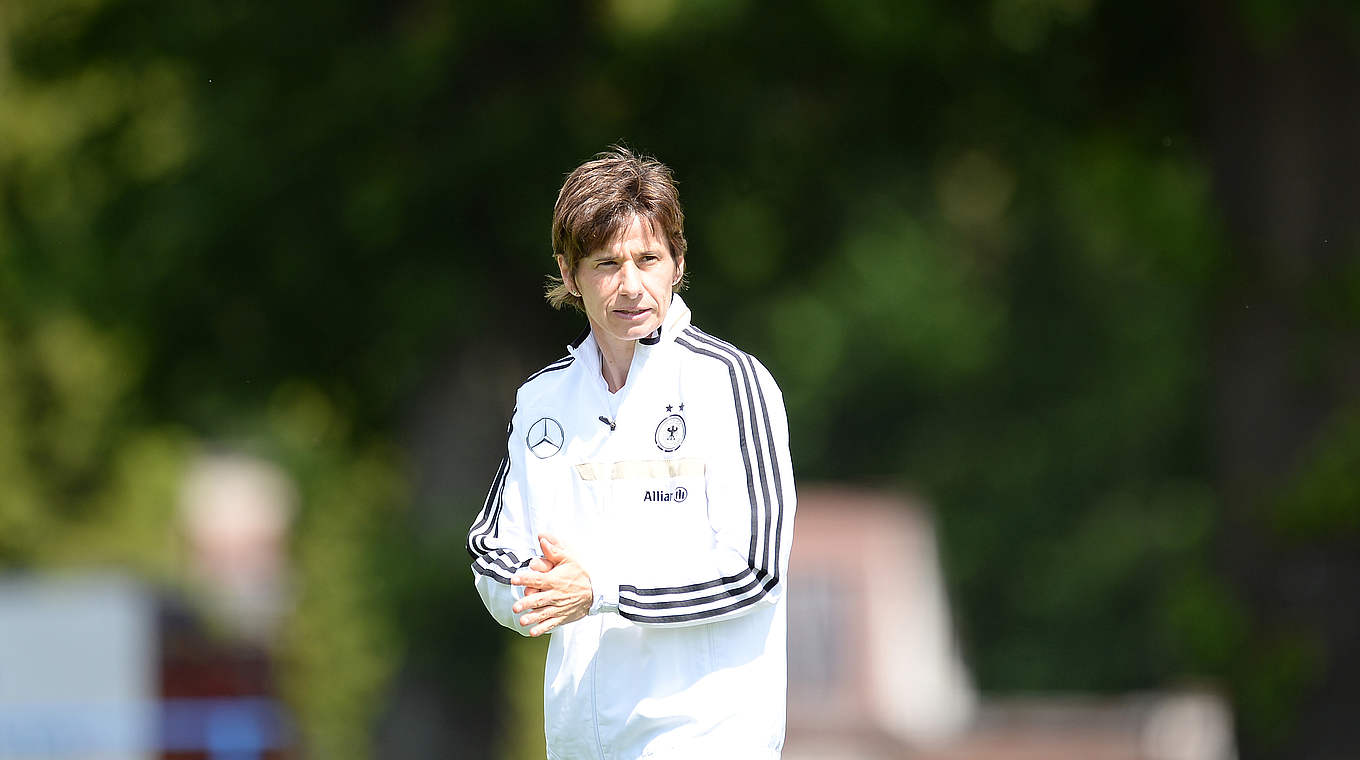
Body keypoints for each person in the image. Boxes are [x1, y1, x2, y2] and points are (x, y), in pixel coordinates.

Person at [467, 145, 796, 759]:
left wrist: (601, 590)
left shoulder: (731, 382)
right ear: (569, 274)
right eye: (605, 263)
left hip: (706, 738)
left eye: (649, 259)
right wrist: (534, 587)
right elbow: (492, 546)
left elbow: (757, 569)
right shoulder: (543, 399)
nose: (631, 285)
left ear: (677, 263)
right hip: (580, 740)